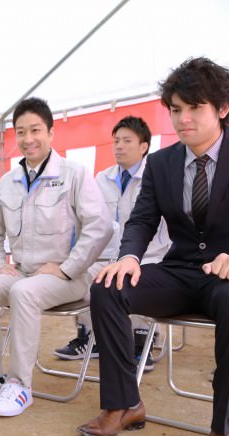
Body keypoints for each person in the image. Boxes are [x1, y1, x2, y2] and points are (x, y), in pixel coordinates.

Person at [78, 58, 229, 436]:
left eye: (194, 107)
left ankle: (227, 428)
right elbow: (141, 220)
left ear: (223, 109)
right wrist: (128, 257)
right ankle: (124, 404)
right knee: (107, 287)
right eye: (176, 109)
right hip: (182, 269)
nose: (183, 118)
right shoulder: (161, 162)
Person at [0, 97, 112, 417]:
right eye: (21, 132)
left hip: (69, 279)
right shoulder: (8, 182)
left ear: (51, 133)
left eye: (35, 130)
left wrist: (68, 267)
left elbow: (100, 226)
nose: (28, 139)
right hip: (24, 272)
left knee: (22, 291)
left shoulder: (74, 174)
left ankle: (20, 385)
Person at [53, 116, 171, 371]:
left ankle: (142, 341)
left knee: (135, 277)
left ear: (144, 146)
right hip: (110, 256)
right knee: (83, 275)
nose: (119, 146)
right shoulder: (102, 178)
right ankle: (88, 337)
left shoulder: (158, 176)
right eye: (116, 141)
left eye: (127, 141)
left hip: (152, 255)